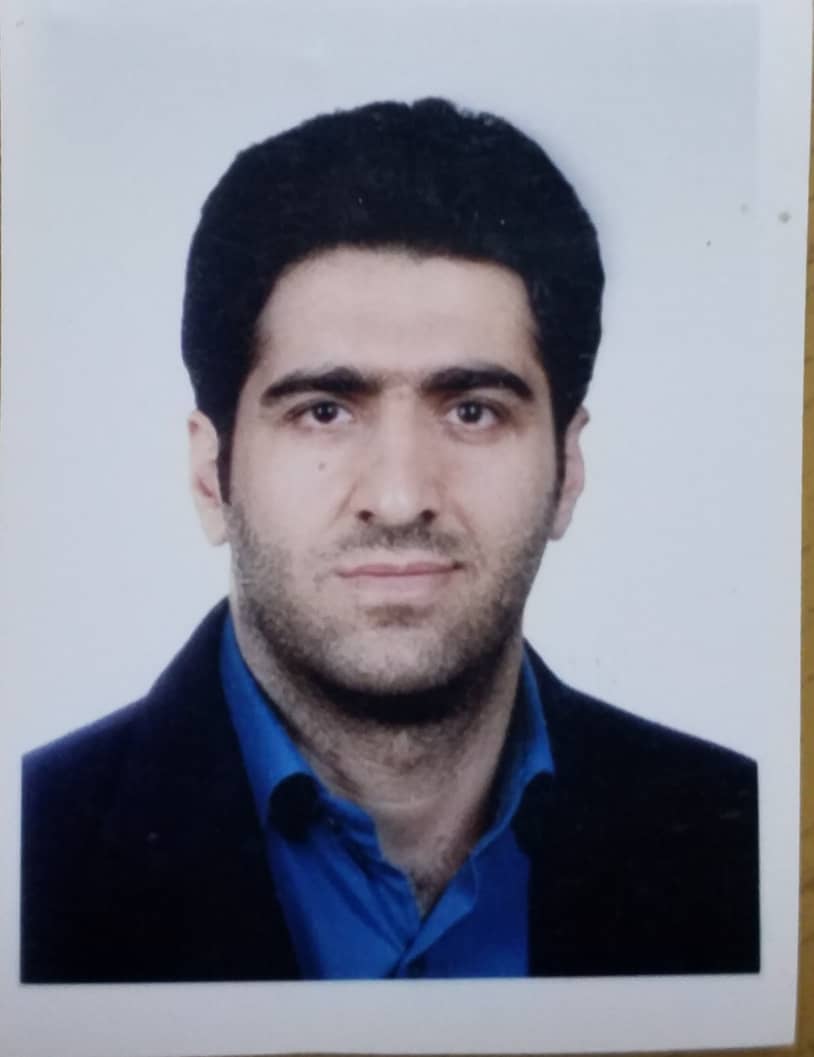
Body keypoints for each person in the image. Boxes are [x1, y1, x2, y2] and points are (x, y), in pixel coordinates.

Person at [21, 98, 759, 984]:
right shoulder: (28, 854)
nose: (402, 496)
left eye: (473, 410)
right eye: (325, 411)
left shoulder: (743, 839)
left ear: (568, 469)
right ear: (210, 475)